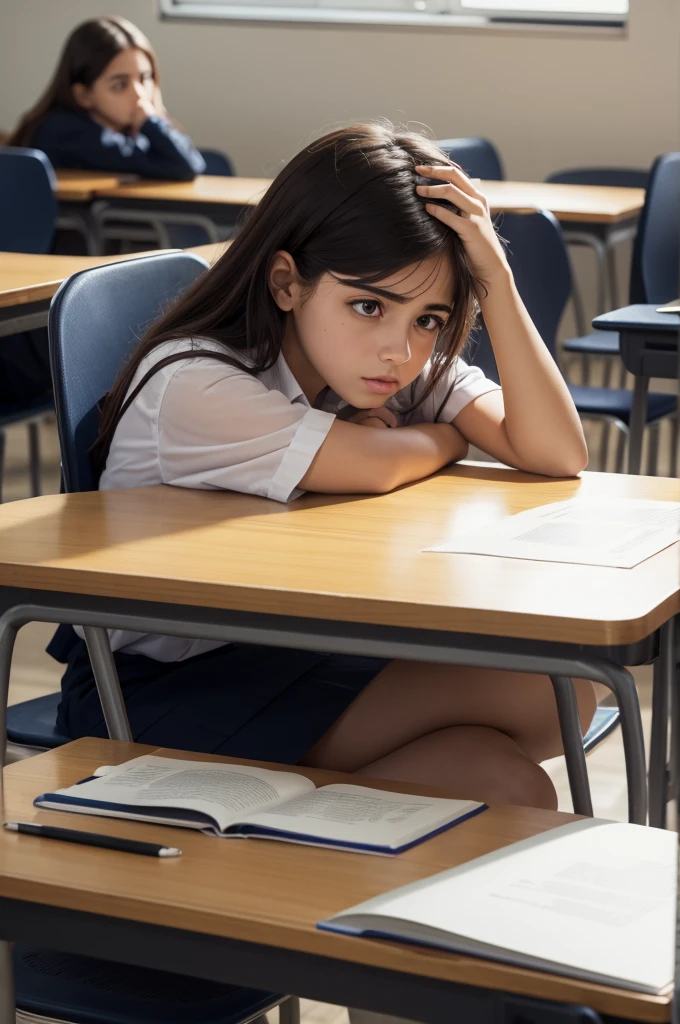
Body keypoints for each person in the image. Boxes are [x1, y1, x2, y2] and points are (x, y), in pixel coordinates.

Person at [52, 122, 595, 811]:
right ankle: (262, 847)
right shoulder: (193, 383)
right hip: (154, 696)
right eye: (368, 306)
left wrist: (497, 279)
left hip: (283, 650)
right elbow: (371, 465)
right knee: (518, 762)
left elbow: (556, 452)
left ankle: (306, 829)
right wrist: (449, 439)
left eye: (429, 318)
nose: (399, 349)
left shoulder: (367, 356)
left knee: (560, 704)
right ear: (286, 283)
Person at [8, 15, 205, 180]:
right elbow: (185, 166)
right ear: (83, 95)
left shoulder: (123, 130)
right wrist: (151, 120)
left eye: (145, 78)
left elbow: (194, 162)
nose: (140, 95)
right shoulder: (65, 132)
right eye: (120, 85)